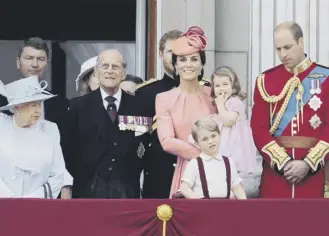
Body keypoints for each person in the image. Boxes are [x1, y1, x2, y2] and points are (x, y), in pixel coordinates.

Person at [250, 21, 329, 198]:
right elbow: (258, 128)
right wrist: (283, 162)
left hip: (314, 174)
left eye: (288, 47)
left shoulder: (326, 78)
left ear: (301, 42)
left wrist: (308, 163)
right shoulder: (266, 80)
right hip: (277, 174)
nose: (283, 54)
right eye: (278, 49)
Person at [62, 49, 151, 198]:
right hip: (87, 192)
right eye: (105, 66)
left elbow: (145, 146)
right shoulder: (77, 107)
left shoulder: (140, 106)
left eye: (115, 67)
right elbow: (67, 151)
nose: (110, 71)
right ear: (96, 72)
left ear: (123, 73)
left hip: (128, 192)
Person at [0, 37, 72, 198]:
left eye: (40, 59)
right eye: (29, 58)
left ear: (47, 64)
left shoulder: (59, 105)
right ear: (18, 62)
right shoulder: (3, 101)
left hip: (44, 194)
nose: (34, 64)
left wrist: (65, 188)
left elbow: (63, 155)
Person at [155, 26, 217, 198]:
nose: (188, 65)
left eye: (194, 59)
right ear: (175, 64)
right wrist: (204, 156)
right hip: (187, 171)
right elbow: (167, 141)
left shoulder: (213, 94)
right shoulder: (164, 98)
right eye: (182, 60)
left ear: (202, 63)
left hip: (218, 171)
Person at [134, 29, 182, 198]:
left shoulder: (204, 90)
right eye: (171, 51)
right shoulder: (146, 93)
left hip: (194, 173)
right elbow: (139, 138)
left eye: (181, 51)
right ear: (161, 54)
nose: (176, 56)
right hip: (158, 175)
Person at [0, 76, 66, 198]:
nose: (38, 110)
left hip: (39, 206)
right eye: (32, 105)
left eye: (39, 104)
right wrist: (10, 199)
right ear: (16, 107)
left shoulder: (50, 129)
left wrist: (33, 200)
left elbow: (58, 174)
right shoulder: (1, 127)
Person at [209, 66, 259, 196]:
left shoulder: (235, 102)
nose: (221, 88)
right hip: (225, 140)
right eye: (217, 85)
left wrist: (219, 105)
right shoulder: (223, 103)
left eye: (225, 84)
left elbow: (228, 121)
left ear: (234, 87)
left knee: (233, 170)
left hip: (235, 143)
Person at [180, 117, 246, 199]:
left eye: (213, 136)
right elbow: (184, 188)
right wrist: (198, 203)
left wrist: (245, 205)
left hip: (227, 207)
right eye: (205, 139)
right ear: (197, 144)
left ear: (219, 135)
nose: (210, 141)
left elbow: (236, 186)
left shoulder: (228, 162)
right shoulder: (195, 163)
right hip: (204, 208)